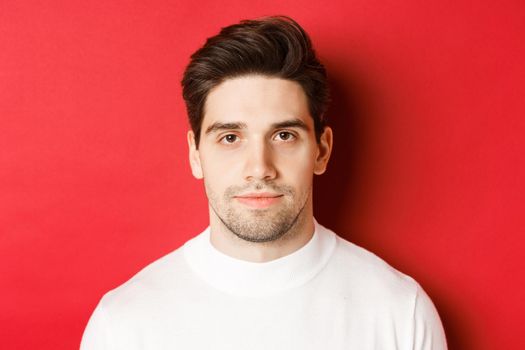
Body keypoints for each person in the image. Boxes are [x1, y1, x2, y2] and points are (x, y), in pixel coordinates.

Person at [80, 15, 447, 349]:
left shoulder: (401, 314)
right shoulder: (123, 326)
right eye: (230, 138)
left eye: (284, 136)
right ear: (196, 154)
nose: (259, 168)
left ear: (321, 150)